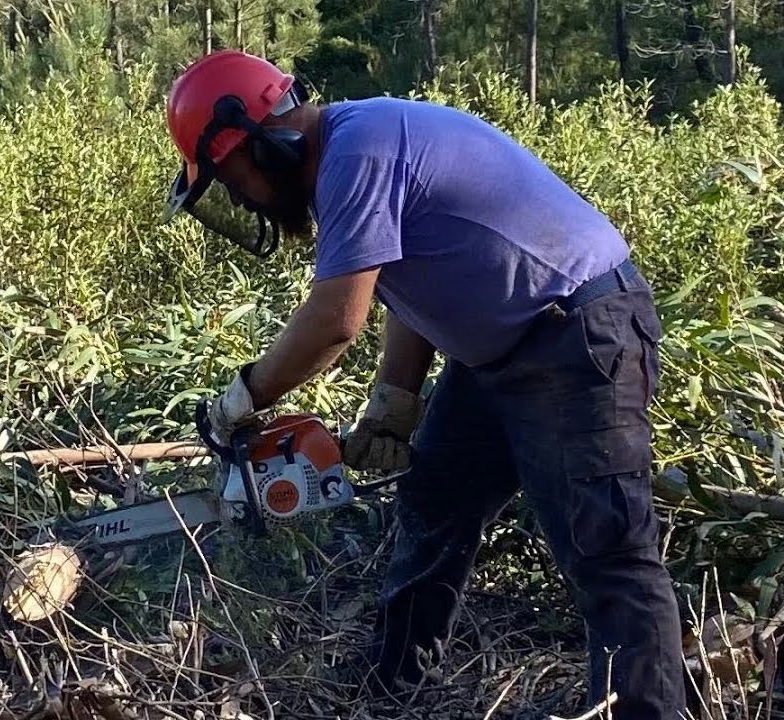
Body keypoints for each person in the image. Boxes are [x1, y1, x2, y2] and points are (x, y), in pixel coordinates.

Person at [161, 49, 687, 719]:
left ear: (264, 146)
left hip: (576, 336)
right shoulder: (351, 151)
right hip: (505, 351)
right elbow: (410, 286)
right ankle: (390, 692)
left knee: (608, 554)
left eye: (235, 181)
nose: (241, 199)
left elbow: (334, 321)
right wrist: (393, 406)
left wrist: (242, 398)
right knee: (435, 499)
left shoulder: (358, 154)